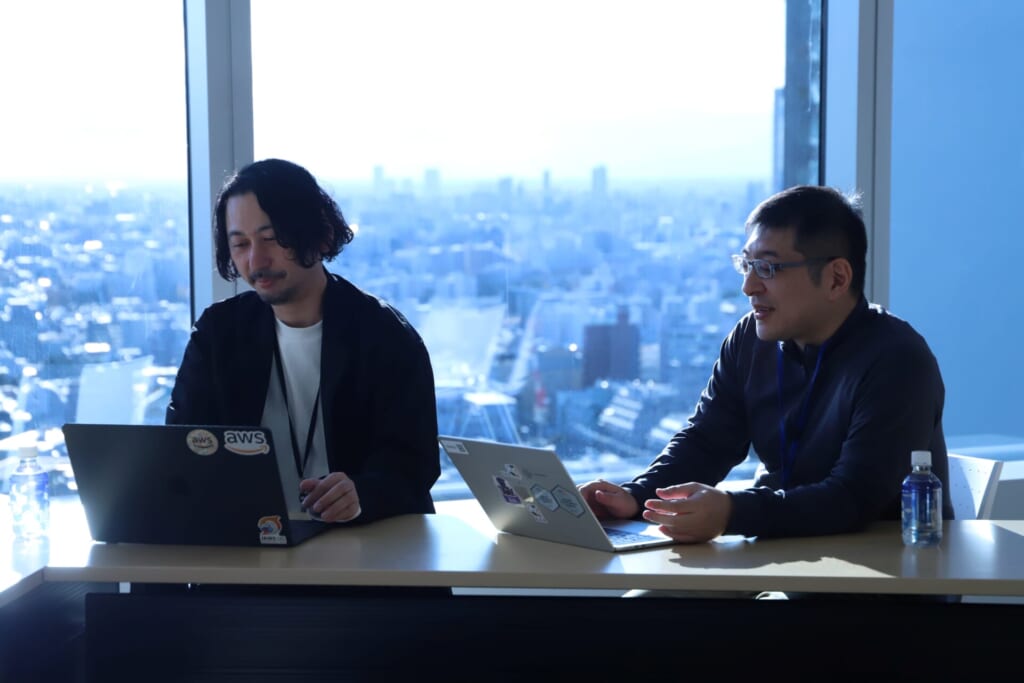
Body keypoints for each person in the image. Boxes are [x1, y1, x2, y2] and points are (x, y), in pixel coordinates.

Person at [580, 185, 952, 544]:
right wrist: (635, 496)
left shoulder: (898, 361)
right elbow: (707, 442)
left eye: (768, 268)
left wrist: (732, 514)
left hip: (883, 575)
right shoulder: (751, 340)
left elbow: (852, 498)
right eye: (746, 265)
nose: (749, 286)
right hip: (782, 558)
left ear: (836, 278)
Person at [167, 158, 440, 526]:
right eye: (240, 244)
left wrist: (362, 494)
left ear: (320, 234)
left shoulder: (385, 335)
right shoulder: (219, 333)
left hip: (364, 543)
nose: (256, 260)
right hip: (246, 540)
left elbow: (415, 465)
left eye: (271, 238)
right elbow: (180, 448)